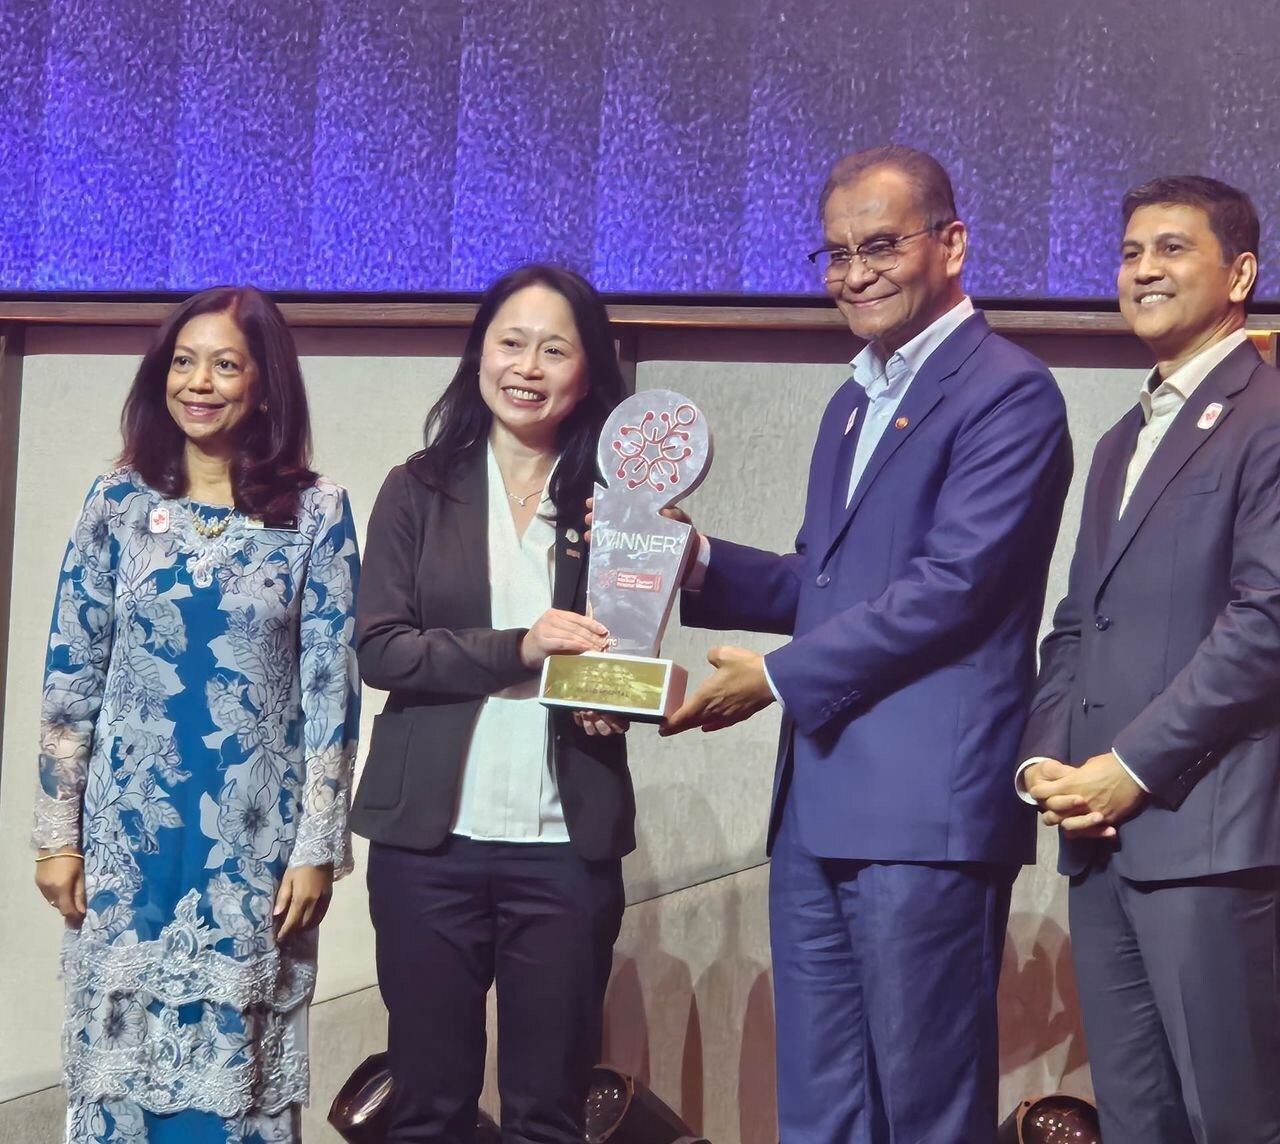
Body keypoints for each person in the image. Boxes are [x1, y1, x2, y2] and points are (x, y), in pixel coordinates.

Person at [663, 145, 1073, 1141]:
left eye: (880, 246)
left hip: (923, 811)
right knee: (821, 1108)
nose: (854, 274)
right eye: (836, 254)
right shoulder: (853, 401)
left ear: (951, 243)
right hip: (818, 807)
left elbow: (954, 587)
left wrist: (775, 676)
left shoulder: (1009, 392)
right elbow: (827, 582)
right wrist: (694, 559)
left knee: (923, 1108)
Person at [33, 286, 361, 1144]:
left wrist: (317, 848)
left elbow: (332, 692)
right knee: (120, 1085)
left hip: (252, 851)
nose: (198, 383)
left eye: (224, 365)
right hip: (126, 846)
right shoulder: (117, 503)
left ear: (265, 386)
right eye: (183, 362)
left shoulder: (318, 513)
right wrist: (58, 835)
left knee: (236, 1094)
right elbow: (71, 674)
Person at [1021, 176, 1280, 1143]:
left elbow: (1267, 621)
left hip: (1211, 839)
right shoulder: (1119, 439)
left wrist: (1131, 767)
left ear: (1239, 274)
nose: (1143, 270)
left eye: (1172, 249)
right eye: (1131, 252)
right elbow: (1077, 624)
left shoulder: (1268, 412)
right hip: (1099, 836)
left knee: (1233, 1119)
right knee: (1137, 1120)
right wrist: (1045, 760)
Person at [351, 264, 633, 1142]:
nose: (528, 367)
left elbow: (629, 653)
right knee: (428, 1107)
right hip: (429, 848)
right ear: (479, 353)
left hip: (565, 846)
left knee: (548, 1113)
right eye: (511, 343)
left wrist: (614, 698)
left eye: (555, 349)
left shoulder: (615, 508)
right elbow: (382, 649)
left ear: (588, 370)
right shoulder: (418, 489)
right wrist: (520, 647)